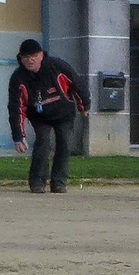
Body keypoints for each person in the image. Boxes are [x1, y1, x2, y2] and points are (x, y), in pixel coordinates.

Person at [7, 39, 88, 194]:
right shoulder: (18, 78)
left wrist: (84, 106)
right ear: (21, 58)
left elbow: (78, 84)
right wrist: (18, 136)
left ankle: (59, 183)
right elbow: (15, 108)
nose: (30, 60)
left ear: (41, 55)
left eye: (34, 56)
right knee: (43, 143)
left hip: (64, 113)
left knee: (64, 144)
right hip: (39, 116)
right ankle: (37, 182)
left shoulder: (57, 67)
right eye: (26, 57)